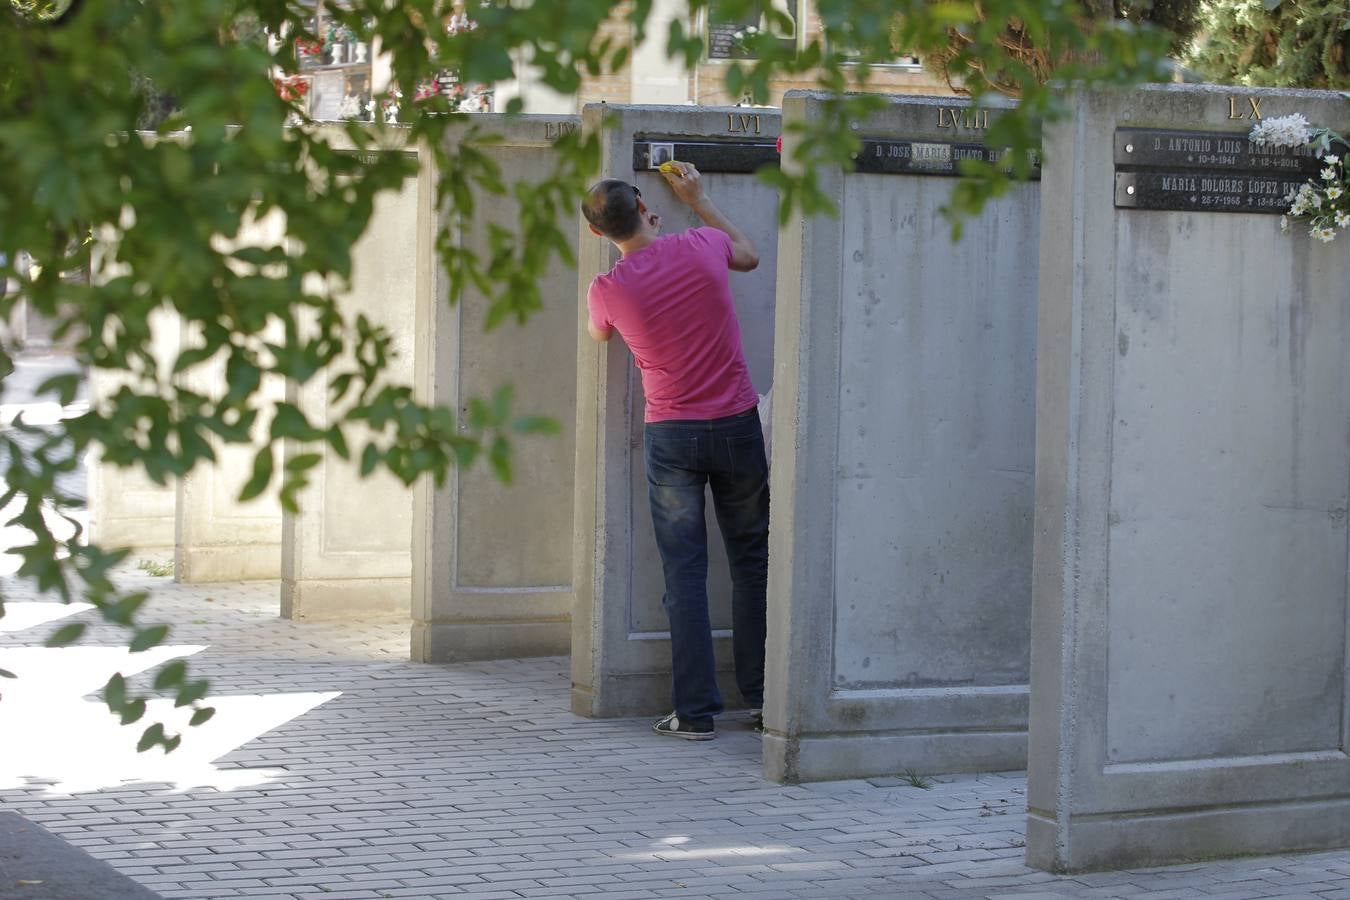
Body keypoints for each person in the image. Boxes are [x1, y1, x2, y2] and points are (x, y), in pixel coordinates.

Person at [582, 164, 769, 741]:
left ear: (597, 234)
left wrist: (630, 255)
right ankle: (764, 698)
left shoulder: (607, 290)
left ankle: (695, 713)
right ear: (646, 206)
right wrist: (700, 199)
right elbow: (749, 254)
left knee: (683, 575)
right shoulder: (701, 243)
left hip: (673, 436)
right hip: (736, 424)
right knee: (752, 564)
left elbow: (600, 336)